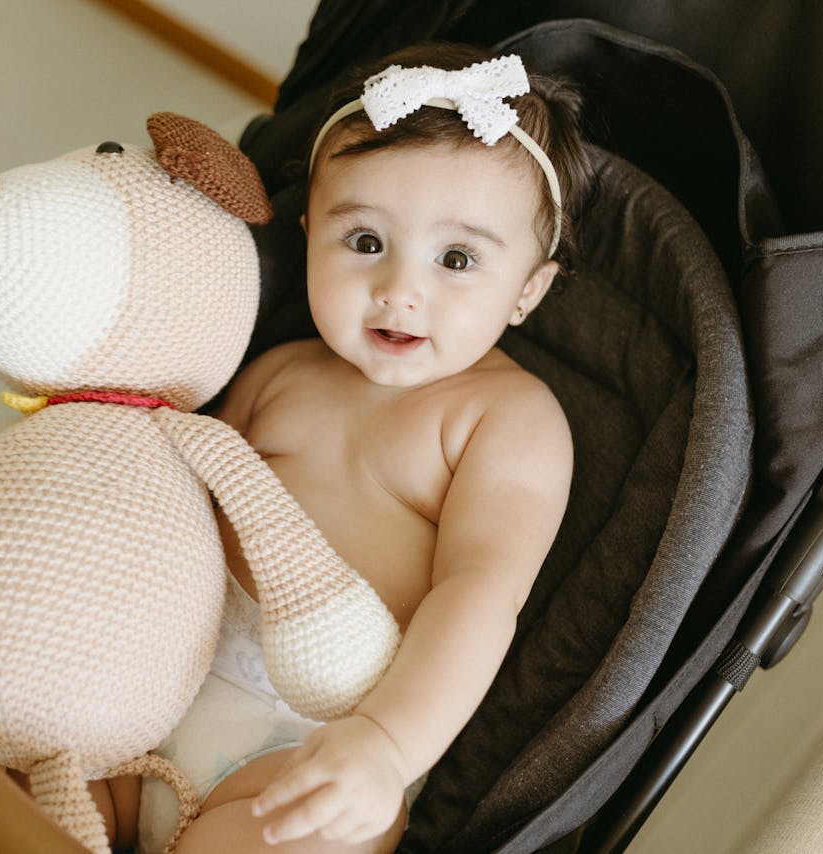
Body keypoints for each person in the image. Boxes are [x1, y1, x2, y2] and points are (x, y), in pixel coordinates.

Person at [128, 41, 588, 853]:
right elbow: (172, 499)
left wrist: (386, 745)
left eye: (456, 259)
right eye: (365, 242)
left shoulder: (506, 418)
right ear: (309, 235)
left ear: (528, 290)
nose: (400, 289)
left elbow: (479, 595)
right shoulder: (276, 373)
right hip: (150, 680)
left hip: (310, 749)